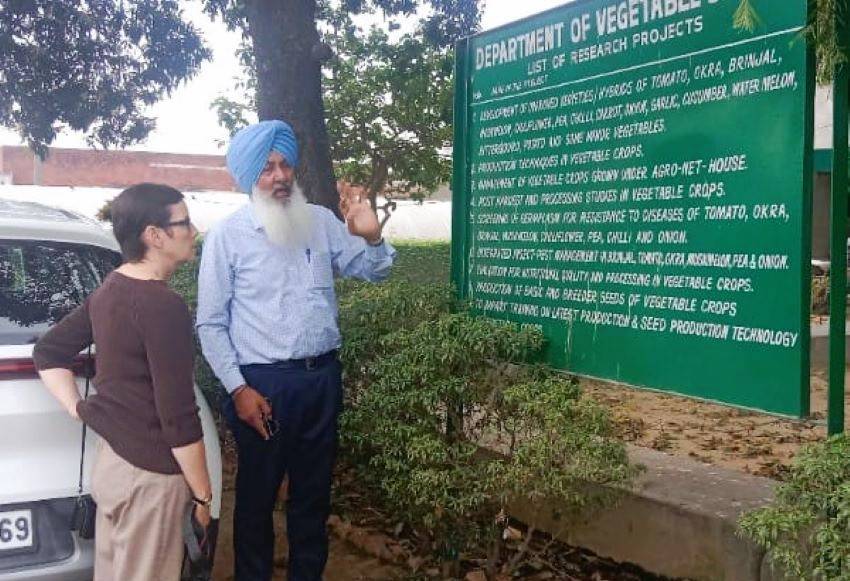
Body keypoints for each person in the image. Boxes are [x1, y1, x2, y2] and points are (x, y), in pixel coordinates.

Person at [196, 119, 395, 581]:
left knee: (313, 498)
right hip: (262, 387)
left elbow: (375, 271)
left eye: (285, 165)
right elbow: (210, 323)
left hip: (321, 381)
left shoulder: (322, 222)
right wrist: (238, 388)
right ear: (249, 176)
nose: (280, 176)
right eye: (267, 168)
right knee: (257, 499)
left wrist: (372, 236)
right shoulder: (228, 235)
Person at [33, 183, 213, 581]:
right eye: (184, 223)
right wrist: (203, 494)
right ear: (154, 235)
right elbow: (178, 417)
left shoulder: (111, 289)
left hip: (113, 467)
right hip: (151, 480)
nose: (194, 230)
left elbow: (48, 352)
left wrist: (77, 408)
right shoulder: (164, 307)